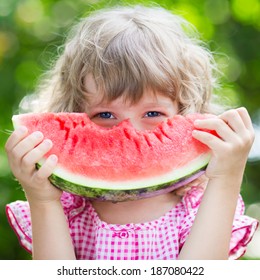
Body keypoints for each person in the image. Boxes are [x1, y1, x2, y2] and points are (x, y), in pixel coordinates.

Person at [5, 5, 258, 260]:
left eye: (152, 114)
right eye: (105, 115)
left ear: (185, 111)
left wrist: (227, 178)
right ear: (74, 111)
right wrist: (43, 201)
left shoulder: (199, 206)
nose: (131, 132)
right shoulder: (67, 208)